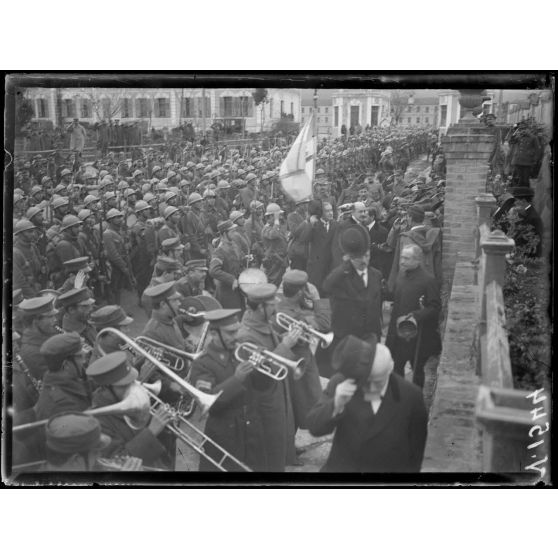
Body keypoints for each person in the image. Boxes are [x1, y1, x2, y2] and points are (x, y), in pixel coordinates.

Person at [306, 335, 428, 472]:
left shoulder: (411, 396)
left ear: (390, 367)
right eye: (370, 381)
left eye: (380, 381)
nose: (374, 387)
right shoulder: (341, 383)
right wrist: (336, 404)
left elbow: (416, 453)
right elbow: (314, 426)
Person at [190, 308, 266, 471]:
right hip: (224, 433)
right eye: (230, 333)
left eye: (236, 331)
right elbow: (209, 402)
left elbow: (263, 387)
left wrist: (262, 368)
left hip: (251, 426)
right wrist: (236, 379)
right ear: (214, 333)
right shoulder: (202, 363)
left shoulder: (242, 352)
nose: (236, 337)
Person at [237, 283, 302, 471]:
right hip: (262, 406)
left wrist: (289, 338)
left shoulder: (263, 324)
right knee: (267, 459)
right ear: (259, 308)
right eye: (271, 305)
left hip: (275, 399)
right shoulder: (246, 336)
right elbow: (262, 373)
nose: (275, 308)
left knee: (277, 454)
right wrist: (286, 345)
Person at [87, 352, 173, 469]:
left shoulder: (129, 400)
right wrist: (151, 432)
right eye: (124, 385)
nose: (132, 388)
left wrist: (165, 425)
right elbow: (117, 463)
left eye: (132, 381)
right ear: (105, 388)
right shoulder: (97, 422)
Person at [276, 270, 328, 437]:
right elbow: (325, 323)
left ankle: (289, 448)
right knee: (301, 402)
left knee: (298, 404)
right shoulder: (294, 314)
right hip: (297, 361)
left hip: (296, 359)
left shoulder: (281, 303)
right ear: (300, 292)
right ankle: (288, 451)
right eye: (305, 289)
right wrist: (317, 298)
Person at [385, 245, 441, 389]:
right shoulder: (401, 275)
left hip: (416, 335)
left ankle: (416, 399)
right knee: (396, 368)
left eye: (406, 258)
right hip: (397, 333)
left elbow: (435, 307)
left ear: (417, 260)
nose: (401, 261)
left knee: (417, 371)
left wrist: (417, 315)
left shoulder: (428, 280)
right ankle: (399, 399)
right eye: (402, 257)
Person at [323, 225, 383, 345]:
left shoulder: (376, 275)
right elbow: (327, 286)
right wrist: (344, 266)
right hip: (348, 337)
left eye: (367, 256)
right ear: (350, 257)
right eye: (359, 257)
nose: (364, 261)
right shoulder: (341, 276)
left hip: (371, 335)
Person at [35, 332, 92, 420]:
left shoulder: (67, 383)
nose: (84, 361)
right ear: (66, 365)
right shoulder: (62, 405)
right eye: (80, 357)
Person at [18, 295, 60, 382]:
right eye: (50, 317)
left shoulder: (49, 334)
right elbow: (55, 380)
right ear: (35, 321)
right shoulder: (31, 352)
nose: (55, 320)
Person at [209, 220, 244, 309]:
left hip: (237, 289)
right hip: (226, 292)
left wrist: (244, 258)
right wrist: (231, 279)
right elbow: (213, 271)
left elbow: (235, 260)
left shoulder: (233, 244)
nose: (235, 233)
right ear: (224, 234)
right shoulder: (219, 251)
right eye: (232, 231)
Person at [304, 200, 336, 296]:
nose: (331, 213)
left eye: (331, 210)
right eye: (327, 211)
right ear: (321, 213)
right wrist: (310, 224)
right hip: (316, 267)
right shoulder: (314, 224)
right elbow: (304, 239)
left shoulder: (336, 225)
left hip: (330, 266)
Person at [103, 208, 134, 304]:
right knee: (114, 290)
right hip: (114, 266)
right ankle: (114, 312)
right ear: (110, 220)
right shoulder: (108, 234)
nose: (120, 219)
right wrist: (123, 266)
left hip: (122, 262)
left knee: (119, 289)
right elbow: (113, 254)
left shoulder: (119, 231)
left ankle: (118, 310)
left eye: (120, 217)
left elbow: (125, 247)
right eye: (117, 218)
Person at [508, 187, 543, 258]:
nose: (515, 203)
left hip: (528, 258)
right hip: (520, 253)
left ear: (523, 201)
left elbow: (535, 242)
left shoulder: (533, 217)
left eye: (516, 200)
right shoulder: (522, 213)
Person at [13, 219, 43, 298]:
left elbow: (40, 263)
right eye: (29, 232)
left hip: (37, 284)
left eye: (33, 231)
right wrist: (32, 296)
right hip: (25, 292)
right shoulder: (16, 252)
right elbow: (20, 281)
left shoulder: (33, 246)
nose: (33, 234)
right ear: (20, 234)